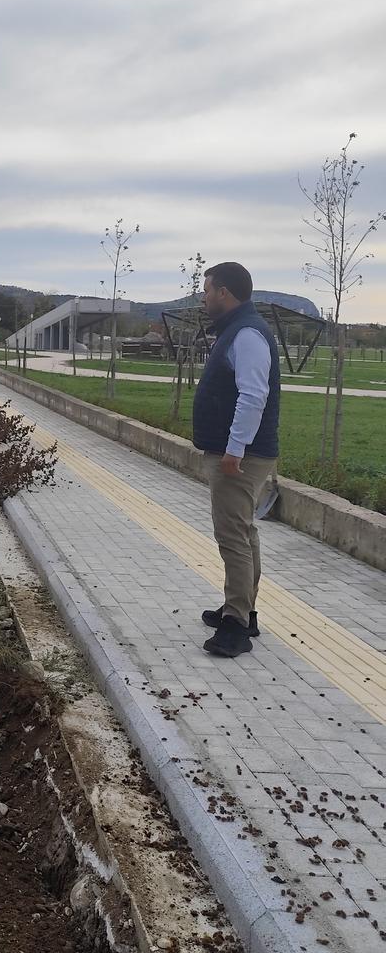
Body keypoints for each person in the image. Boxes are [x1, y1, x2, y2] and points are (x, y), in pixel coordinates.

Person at [192, 261, 280, 658]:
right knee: (244, 532)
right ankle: (243, 609)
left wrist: (234, 448)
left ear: (224, 293)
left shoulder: (246, 334)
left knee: (232, 535)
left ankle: (236, 627)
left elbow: (253, 395)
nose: (204, 296)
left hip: (241, 456)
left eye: (207, 290)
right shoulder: (240, 330)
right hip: (243, 452)